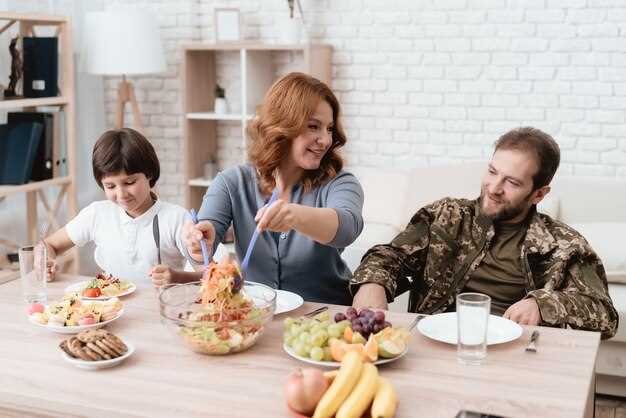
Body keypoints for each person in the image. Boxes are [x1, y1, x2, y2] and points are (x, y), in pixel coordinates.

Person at [351, 127, 618, 338]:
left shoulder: (563, 244)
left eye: (512, 182)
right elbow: (389, 255)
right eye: (492, 172)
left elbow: (606, 316)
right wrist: (373, 283)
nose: (494, 188)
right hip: (435, 342)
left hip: (515, 354)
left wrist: (542, 304)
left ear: (539, 194)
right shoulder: (444, 216)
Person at [183, 72, 364, 305]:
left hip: (325, 316)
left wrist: (294, 215)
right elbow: (203, 240)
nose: (325, 140)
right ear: (283, 126)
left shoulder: (340, 183)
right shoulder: (231, 182)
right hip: (257, 315)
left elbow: (347, 228)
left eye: (329, 129)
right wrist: (197, 242)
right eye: (313, 126)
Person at [43, 128, 201, 286]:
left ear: (149, 174)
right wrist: (45, 262)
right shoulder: (97, 214)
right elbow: (49, 245)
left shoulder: (176, 219)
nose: (121, 194)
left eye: (129, 182)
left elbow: (211, 274)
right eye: (110, 186)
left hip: (159, 307)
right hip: (109, 307)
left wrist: (177, 278)